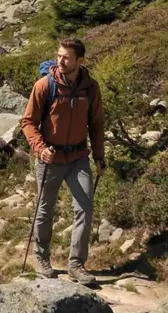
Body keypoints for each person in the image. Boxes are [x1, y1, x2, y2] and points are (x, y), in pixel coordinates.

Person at [20, 36, 106, 284]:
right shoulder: (44, 86)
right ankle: (41, 257)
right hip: (50, 157)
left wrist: (99, 157)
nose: (60, 61)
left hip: (79, 157)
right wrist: (39, 148)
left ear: (80, 60)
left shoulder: (91, 88)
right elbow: (28, 122)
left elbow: (97, 124)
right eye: (58, 55)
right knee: (45, 211)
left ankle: (76, 266)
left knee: (85, 209)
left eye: (66, 57)